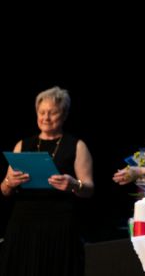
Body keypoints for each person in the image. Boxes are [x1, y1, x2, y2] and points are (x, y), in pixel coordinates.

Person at [0, 86, 94, 276]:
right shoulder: (22, 144)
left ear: (64, 115)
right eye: (42, 112)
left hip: (60, 227)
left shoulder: (76, 145)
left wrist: (74, 185)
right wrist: (10, 182)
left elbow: (89, 188)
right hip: (23, 226)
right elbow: (4, 189)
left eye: (53, 112)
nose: (46, 117)